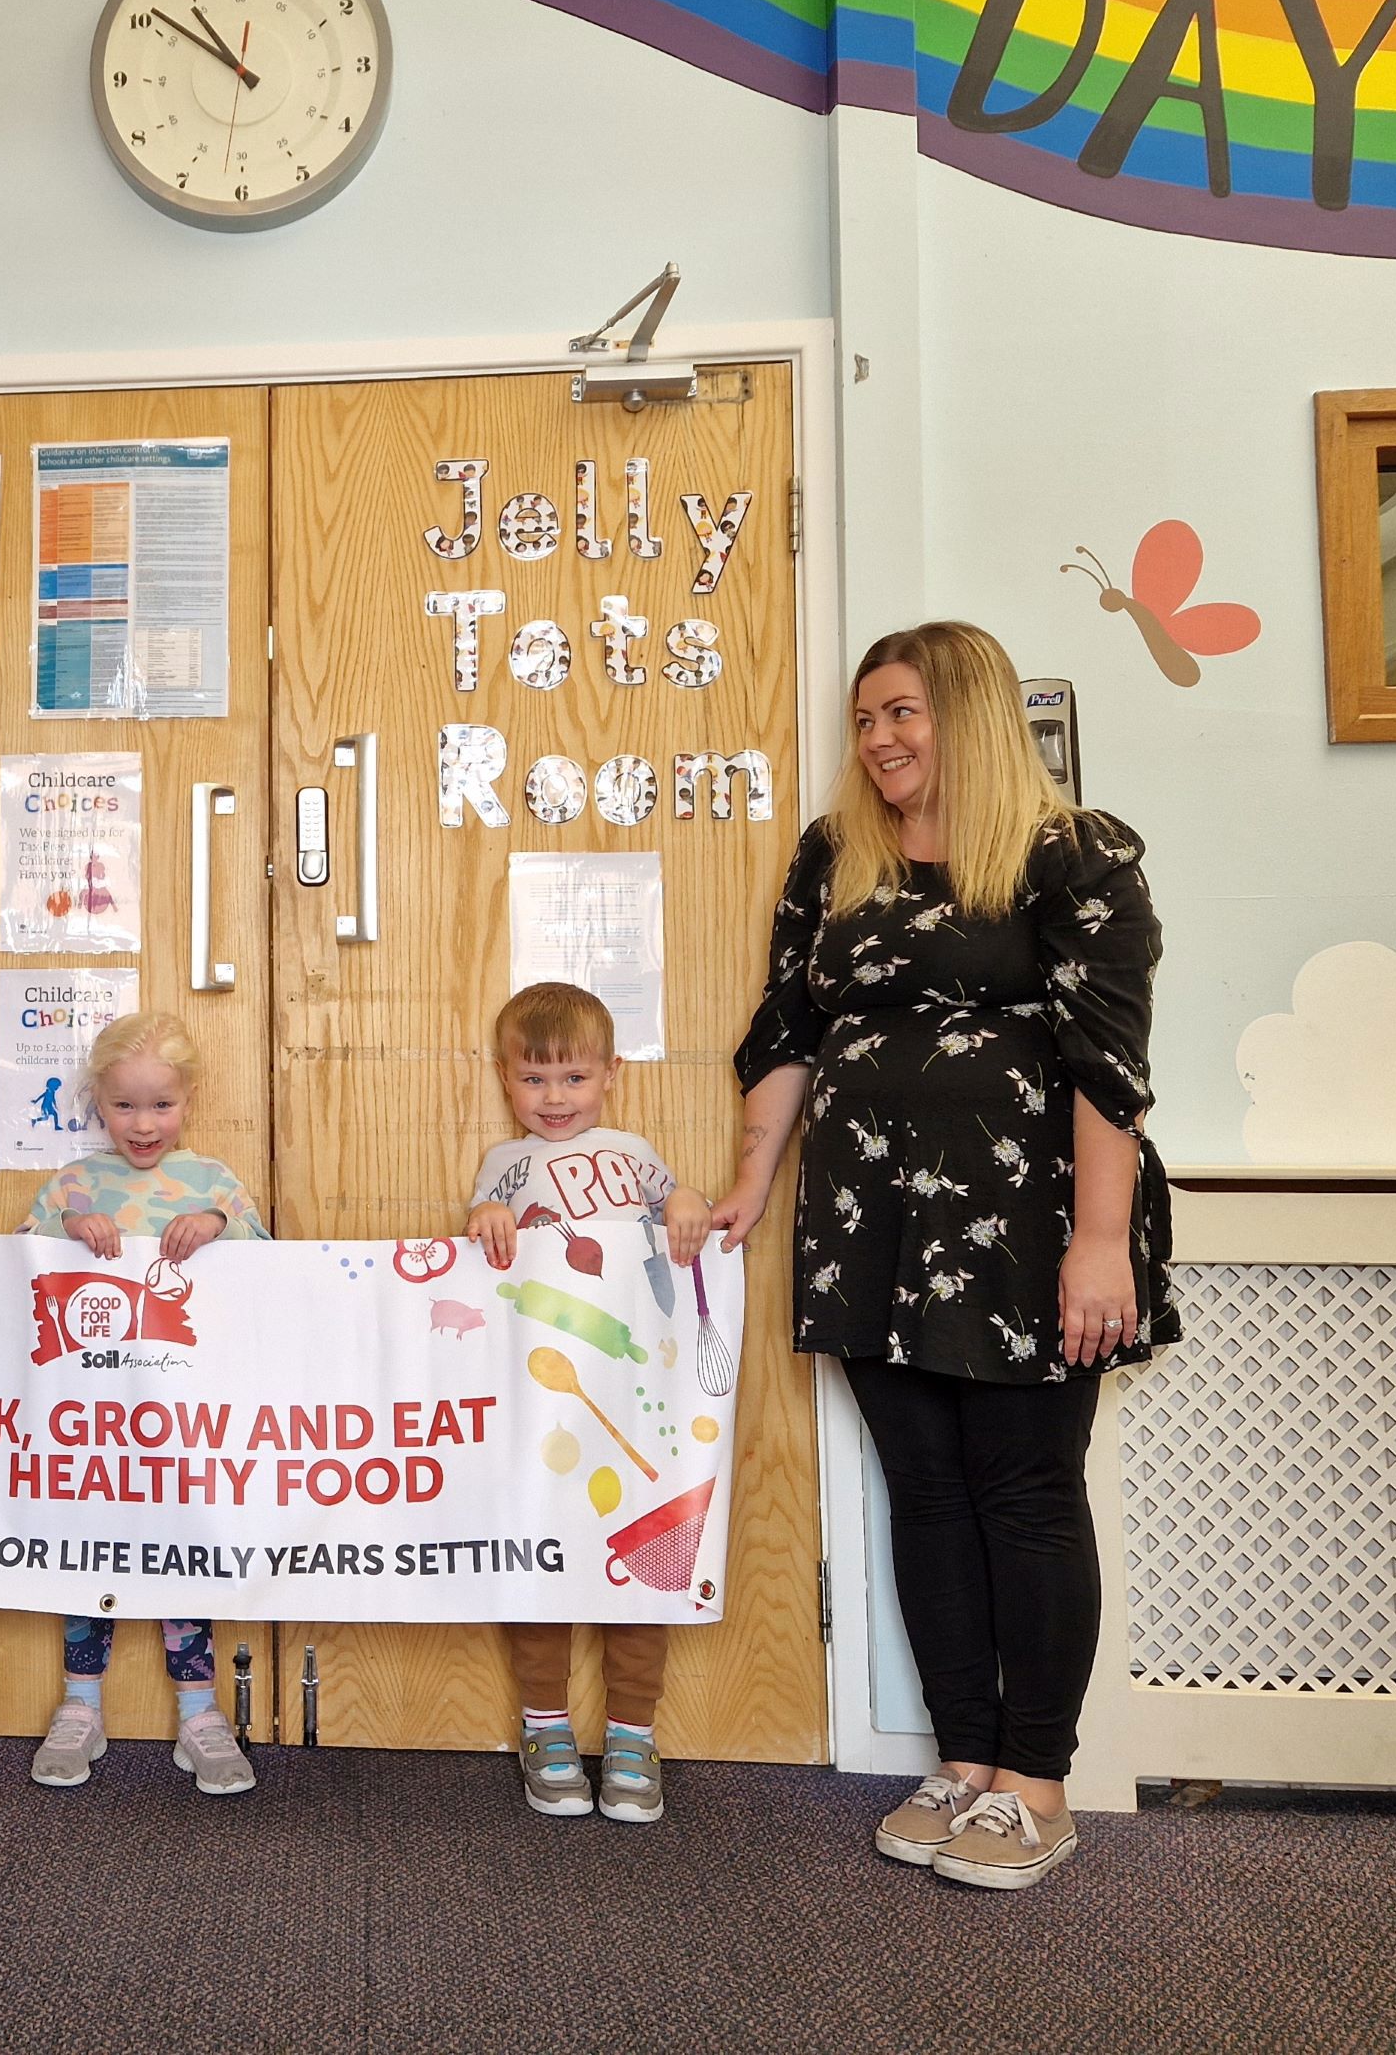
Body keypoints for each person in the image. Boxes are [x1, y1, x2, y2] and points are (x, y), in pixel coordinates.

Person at [710, 620, 1174, 1891]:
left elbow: (1109, 1064)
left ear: (968, 713)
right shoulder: (836, 854)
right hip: (868, 1219)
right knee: (923, 1486)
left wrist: (1099, 1245)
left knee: (1025, 1489)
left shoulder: (1075, 854)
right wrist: (752, 1182)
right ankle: (964, 1760)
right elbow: (788, 1030)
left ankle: (1037, 1782)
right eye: (866, 718)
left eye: (903, 712)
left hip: (1026, 1217)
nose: (879, 738)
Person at [466, 982, 713, 1825]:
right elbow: (483, 1238)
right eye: (534, 1080)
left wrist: (685, 1201)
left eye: (573, 1078)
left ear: (611, 1074)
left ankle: (633, 1733)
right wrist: (486, 1216)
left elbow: (678, 1211)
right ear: (506, 1079)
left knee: (647, 1560)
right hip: (545, 1404)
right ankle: (545, 1727)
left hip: (636, 1399)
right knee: (544, 1557)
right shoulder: (505, 1162)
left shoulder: (634, 1153)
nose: (555, 1098)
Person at [19, 1012, 266, 1798]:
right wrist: (67, 1225)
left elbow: (272, 1265)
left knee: (182, 1553)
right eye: (124, 1105)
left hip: (184, 1420)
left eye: (162, 1104)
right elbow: (14, 1263)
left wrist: (218, 1225)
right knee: (88, 1552)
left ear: (189, 1099)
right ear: (98, 1102)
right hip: (91, 1421)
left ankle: (200, 1714)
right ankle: (80, 1705)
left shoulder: (213, 1181)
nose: (144, 1123)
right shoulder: (72, 1186)